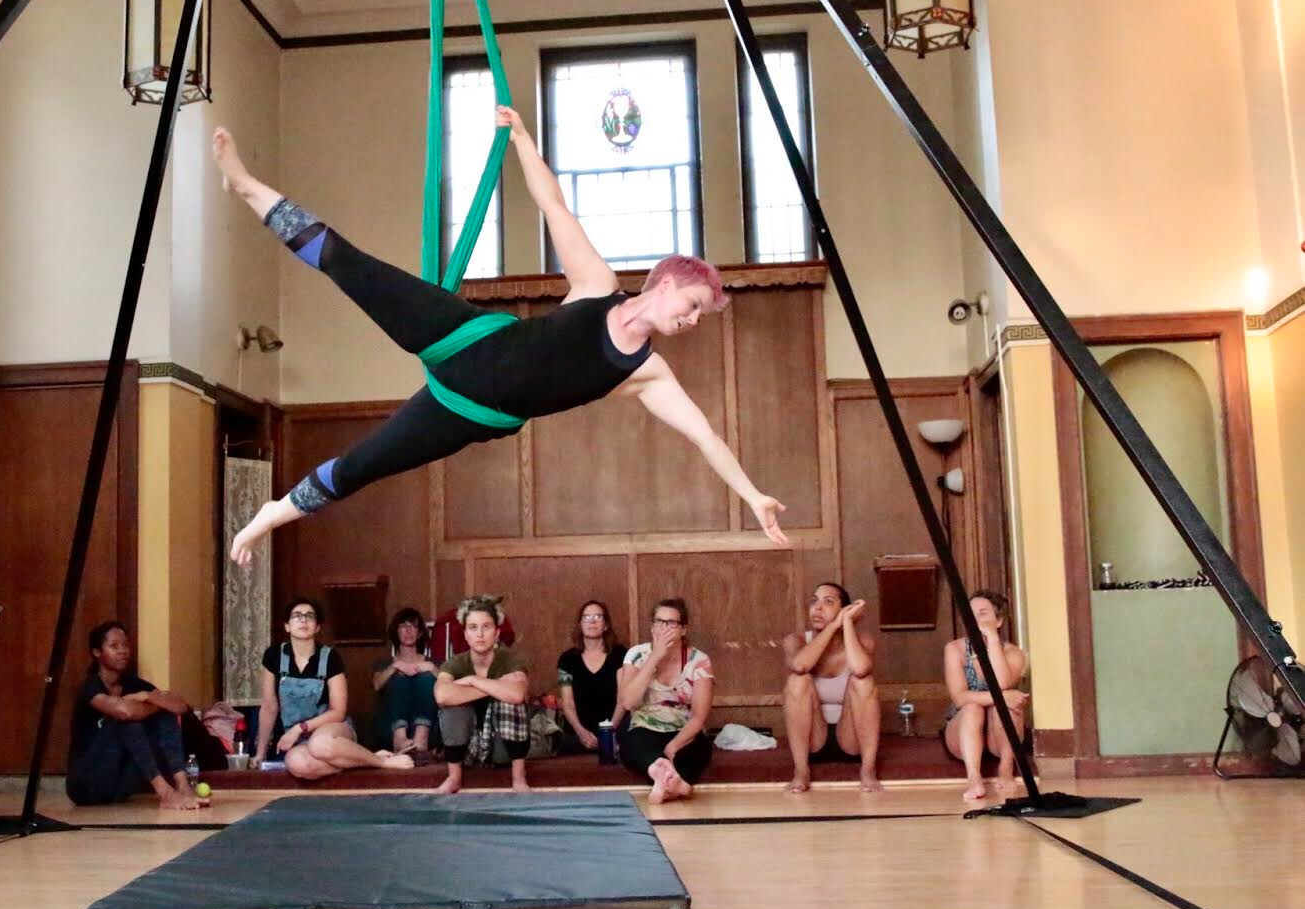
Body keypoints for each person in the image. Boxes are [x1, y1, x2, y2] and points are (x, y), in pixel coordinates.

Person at [210, 110, 788, 567]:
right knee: (347, 263)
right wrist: (523, 143)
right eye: (692, 307)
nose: (691, 322)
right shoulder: (596, 285)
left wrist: (752, 494)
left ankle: (270, 515)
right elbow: (552, 206)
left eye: (699, 318)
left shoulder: (646, 373)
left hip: (467, 412)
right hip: (463, 337)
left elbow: (706, 437)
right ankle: (247, 185)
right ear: (664, 284)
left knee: (363, 466)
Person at [254, 596, 413, 781]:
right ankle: (357, 761)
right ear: (287, 626)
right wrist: (260, 753)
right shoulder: (273, 656)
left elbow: (338, 712)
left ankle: (381, 762)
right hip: (299, 740)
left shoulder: (330, 657)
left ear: (317, 627)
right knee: (297, 764)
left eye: (309, 616)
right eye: (297, 616)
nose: (303, 620)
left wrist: (299, 728)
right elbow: (269, 706)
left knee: (319, 744)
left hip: (333, 730)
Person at [66, 621, 206, 809]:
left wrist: (148, 696)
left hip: (119, 784)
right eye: (114, 646)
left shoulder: (134, 684)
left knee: (165, 714)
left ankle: (183, 786)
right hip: (86, 783)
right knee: (126, 723)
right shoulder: (90, 687)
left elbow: (181, 707)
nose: (123, 651)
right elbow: (124, 712)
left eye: (125, 645)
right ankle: (165, 793)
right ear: (97, 652)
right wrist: (155, 704)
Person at [781, 582, 881, 793]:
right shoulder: (795, 641)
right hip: (813, 739)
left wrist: (846, 625)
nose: (817, 608)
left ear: (844, 610)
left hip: (852, 739)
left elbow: (861, 669)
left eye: (828, 602)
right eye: (814, 601)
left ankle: (868, 771)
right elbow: (800, 666)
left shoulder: (863, 640)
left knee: (863, 682)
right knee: (797, 680)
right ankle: (801, 771)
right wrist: (833, 626)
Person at [617, 598, 714, 804]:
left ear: (683, 629)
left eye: (671, 623)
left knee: (697, 749)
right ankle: (674, 782)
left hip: (683, 729)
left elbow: (698, 717)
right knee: (634, 740)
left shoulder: (699, 660)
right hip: (645, 724)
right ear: (652, 626)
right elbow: (627, 702)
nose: (664, 628)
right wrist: (655, 657)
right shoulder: (636, 655)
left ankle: (668, 783)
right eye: (659, 622)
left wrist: (672, 748)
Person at [433, 596, 531, 794]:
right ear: (466, 635)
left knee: (509, 702)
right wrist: (496, 686)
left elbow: (518, 694)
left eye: (486, 627)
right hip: (467, 747)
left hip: (502, 746)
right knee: (452, 706)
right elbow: (442, 695)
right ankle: (454, 777)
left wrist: (472, 681)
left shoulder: (509, 660)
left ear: (496, 633)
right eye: (473, 627)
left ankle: (519, 777)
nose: (480, 634)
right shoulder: (456, 663)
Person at [943, 590, 1029, 802]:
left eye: (982, 613)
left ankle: (1006, 768)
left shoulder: (1014, 653)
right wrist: (1003, 697)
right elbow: (960, 698)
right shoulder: (954, 649)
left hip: (997, 735)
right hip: (964, 730)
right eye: (970, 613)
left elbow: (1001, 683)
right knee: (973, 707)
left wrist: (991, 638)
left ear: (998, 620)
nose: (975, 619)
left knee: (1008, 707)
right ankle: (974, 777)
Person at [556, 600, 627, 753]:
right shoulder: (566, 659)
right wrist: (581, 733)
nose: (592, 621)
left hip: (615, 728)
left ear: (606, 625)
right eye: (586, 617)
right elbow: (567, 703)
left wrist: (608, 732)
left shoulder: (621, 655)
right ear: (580, 624)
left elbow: (623, 700)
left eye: (598, 617)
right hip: (578, 731)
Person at [372, 607, 438, 756]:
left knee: (427, 677)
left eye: (413, 626)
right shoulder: (385, 663)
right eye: (403, 626)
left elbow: (449, 686)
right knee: (399, 678)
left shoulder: (433, 663)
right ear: (396, 631)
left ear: (420, 632)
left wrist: (432, 668)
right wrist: (395, 666)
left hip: (427, 728)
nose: (408, 630)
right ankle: (399, 739)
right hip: (391, 727)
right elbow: (377, 685)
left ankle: (421, 738)